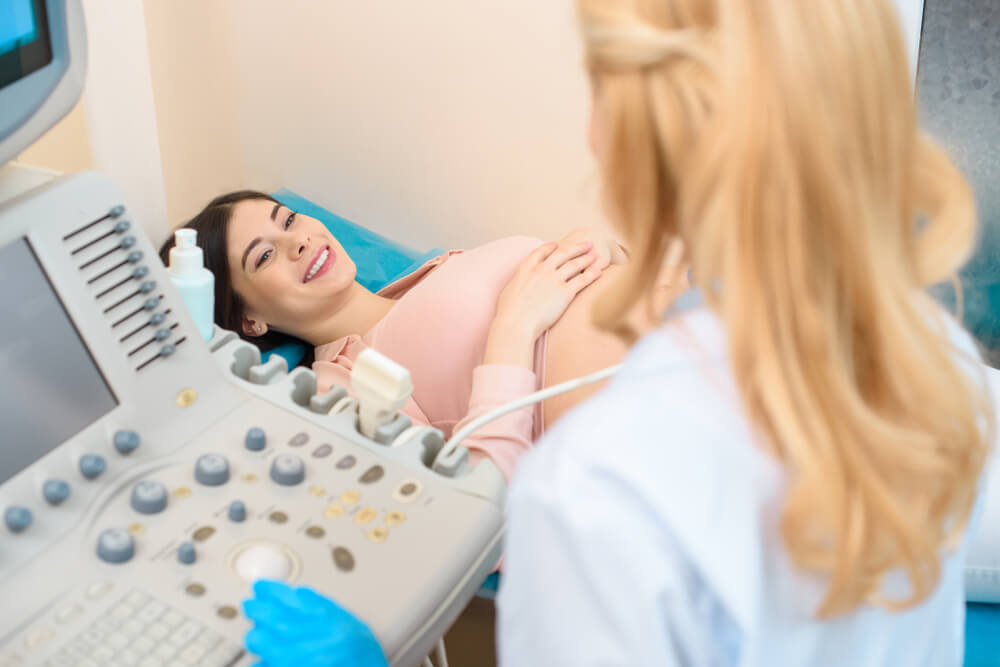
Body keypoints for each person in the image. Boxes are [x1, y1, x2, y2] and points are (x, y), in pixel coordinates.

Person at [241, 0, 994, 664]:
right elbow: (458, 510)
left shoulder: (594, 492)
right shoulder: (931, 352)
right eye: (262, 254)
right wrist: (514, 333)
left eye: (598, 87)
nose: (593, 132)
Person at [159, 193, 682, 481]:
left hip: (700, 311)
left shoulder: (434, 267)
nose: (298, 241)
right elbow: (478, 507)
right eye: (265, 255)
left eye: (289, 219)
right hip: (666, 409)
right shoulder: (337, 389)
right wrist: (514, 328)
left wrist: (601, 251)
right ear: (248, 321)